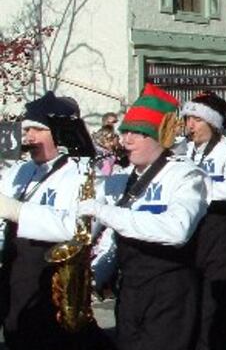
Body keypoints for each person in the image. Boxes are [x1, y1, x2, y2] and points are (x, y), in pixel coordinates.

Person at [78, 83, 208, 350]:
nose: (125, 140)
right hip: (130, 291)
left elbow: (177, 230)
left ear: (158, 137)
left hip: (170, 293)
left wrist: (104, 211)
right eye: (125, 132)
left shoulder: (186, 175)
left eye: (137, 133)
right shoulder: (119, 180)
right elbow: (102, 233)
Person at [0, 92, 110, 350]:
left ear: (60, 132)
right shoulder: (20, 170)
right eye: (26, 130)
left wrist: (17, 211)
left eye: (38, 129)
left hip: (54, 285)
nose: (29, 138)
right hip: (16, 280)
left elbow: (80, 227)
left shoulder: (83, 172)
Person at [182, 92, 226, 350]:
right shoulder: (186, 149)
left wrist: (200, 190)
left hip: (219, 230)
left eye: (196, 120)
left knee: (214, 303)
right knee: (195, 298)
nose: (190, 125)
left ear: (212, 122)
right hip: (192, 232)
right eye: (188, 118)